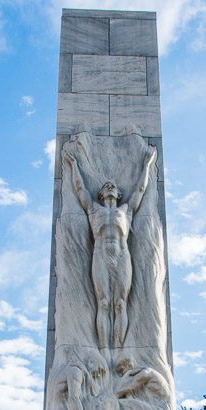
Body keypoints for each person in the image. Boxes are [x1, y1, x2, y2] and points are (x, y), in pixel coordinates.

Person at [64, 143, 157, 349]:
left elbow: (141, 189)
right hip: (100, 256)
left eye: (113, 185)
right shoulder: (94, 210)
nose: (110, 185)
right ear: (101, 194)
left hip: (122, 257)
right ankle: (105, 350)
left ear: (118, 194)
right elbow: (79, 189)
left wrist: (148, 164)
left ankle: (118, 349)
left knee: (120, 303)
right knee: (104, 303)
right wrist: (73, 164)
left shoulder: (126, 211)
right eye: (106, 185)